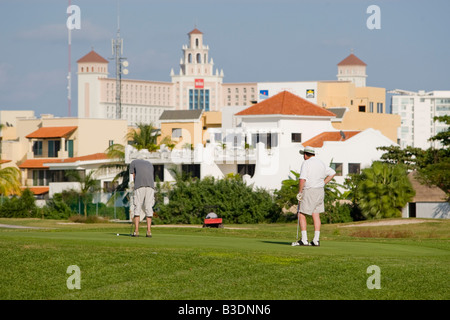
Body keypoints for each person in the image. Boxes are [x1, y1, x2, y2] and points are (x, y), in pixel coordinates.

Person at [292, 146, 335, 247]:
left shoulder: (306, 163)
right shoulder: (321, 163)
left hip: (309, 190)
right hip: (320, 191)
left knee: (301, 213)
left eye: (304, 154)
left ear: (306, 154)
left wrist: (300, 192)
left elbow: (302, 179)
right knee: (316, 214)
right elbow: (332, 173)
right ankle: (316, 240)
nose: (303, 156)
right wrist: (323, 183)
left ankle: (304, 240)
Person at [129, 158, 155, 237]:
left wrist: (135, 184)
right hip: (150, 186)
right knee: (148, 207)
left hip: (139, 186)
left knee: (137, 207)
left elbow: (133, 175)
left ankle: (136, 231)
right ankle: (149, 231)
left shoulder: (133, 162)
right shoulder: (150, 163)